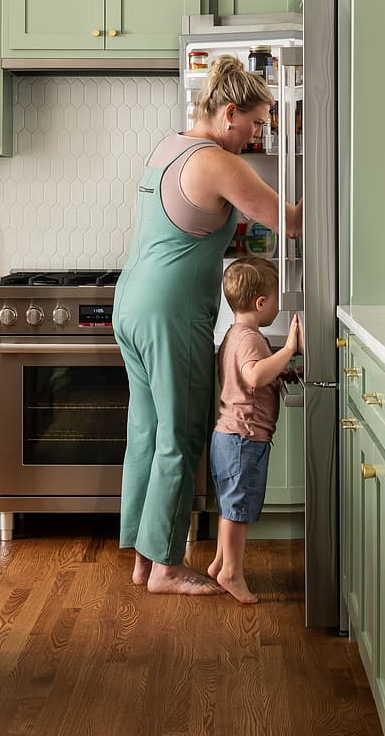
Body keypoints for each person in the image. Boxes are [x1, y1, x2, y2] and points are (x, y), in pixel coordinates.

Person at [116, 55, 301, 595]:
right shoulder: (217, 161)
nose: (257, 135)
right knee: (182, 434)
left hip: (131, 302)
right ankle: (167, 569)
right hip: (169, 312)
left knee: (147, 432)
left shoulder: (167, 147)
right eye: (256, 124)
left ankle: (143, 556)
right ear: (227, 114)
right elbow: (288, 222)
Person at [206, 257, 302, 604]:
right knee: (238, 511)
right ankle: (232, 573)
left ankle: (220, 563)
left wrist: (283, 372)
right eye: (276, 298)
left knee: (231, 508)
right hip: (243, 440)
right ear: (261, 303)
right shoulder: (248, 339)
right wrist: (289, 350)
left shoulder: (237, 334)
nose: (277, 304)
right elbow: (254, 376)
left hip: (229, 437)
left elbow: (257, 376)